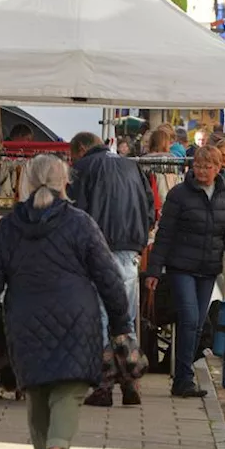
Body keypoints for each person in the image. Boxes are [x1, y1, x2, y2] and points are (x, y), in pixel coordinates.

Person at [0, 154, 132, 449]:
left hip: (25, 319)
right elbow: (110, 278)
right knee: (69, 391)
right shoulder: (80, 223)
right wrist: (122, 327)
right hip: (77, 318)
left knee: (37, 392)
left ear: (26, 183)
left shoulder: (10, 226)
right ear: (64, 184)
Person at [147, 146, 225, 398]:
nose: (202, 171)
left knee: (196, 325)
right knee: (190, 318)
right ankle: (183, 378)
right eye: (198, 166)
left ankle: (183, 375)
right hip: (181, 267)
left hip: (208, 269)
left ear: (218, 169)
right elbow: (165, 234)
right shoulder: (179, 195)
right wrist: (153, 270)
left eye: (207, 166)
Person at [68, 131, 154, 407]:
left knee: (101, 320)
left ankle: (104, 386)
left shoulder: (82, 169)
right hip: (129, 250)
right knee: (124, 319)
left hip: (96, 250)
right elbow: (150, 208)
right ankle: (131, 381)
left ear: (81, 149)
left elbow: (74, 213)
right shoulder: (133, 166)